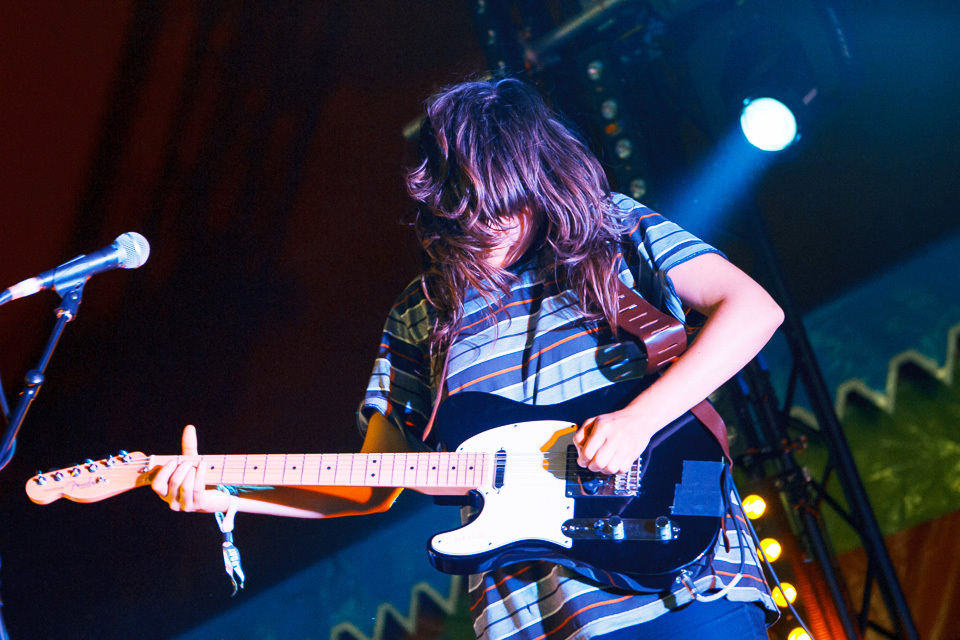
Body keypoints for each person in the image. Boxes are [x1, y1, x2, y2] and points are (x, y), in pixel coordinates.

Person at [153, 78, 783, 639]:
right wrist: (228, 490)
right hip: (534, 617)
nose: (476, 229)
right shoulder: (419, 313)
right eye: (457, 214)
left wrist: (639, 420)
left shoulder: (614, 230)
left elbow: (754, 310)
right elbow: (367, 487)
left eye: (493, 209)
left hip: (689, 588)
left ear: (537, 180)